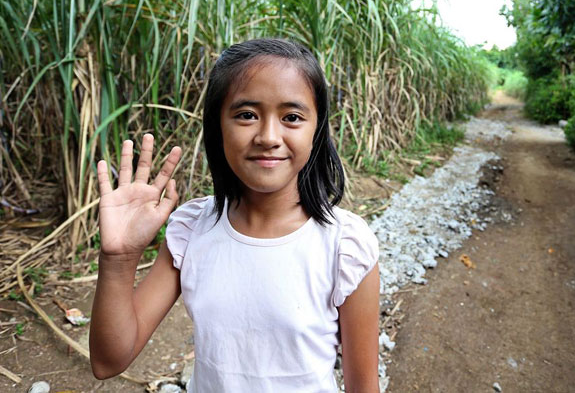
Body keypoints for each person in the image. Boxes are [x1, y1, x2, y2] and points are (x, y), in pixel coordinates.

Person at [89, 39, 380, 392]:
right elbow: (108, 361)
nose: (268, 137)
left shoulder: (344, 245)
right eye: (246, 115)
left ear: (316, 129)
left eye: (292, 117)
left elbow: (363, 387)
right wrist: (119, 259)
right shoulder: (192, 229)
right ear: (218, 127)